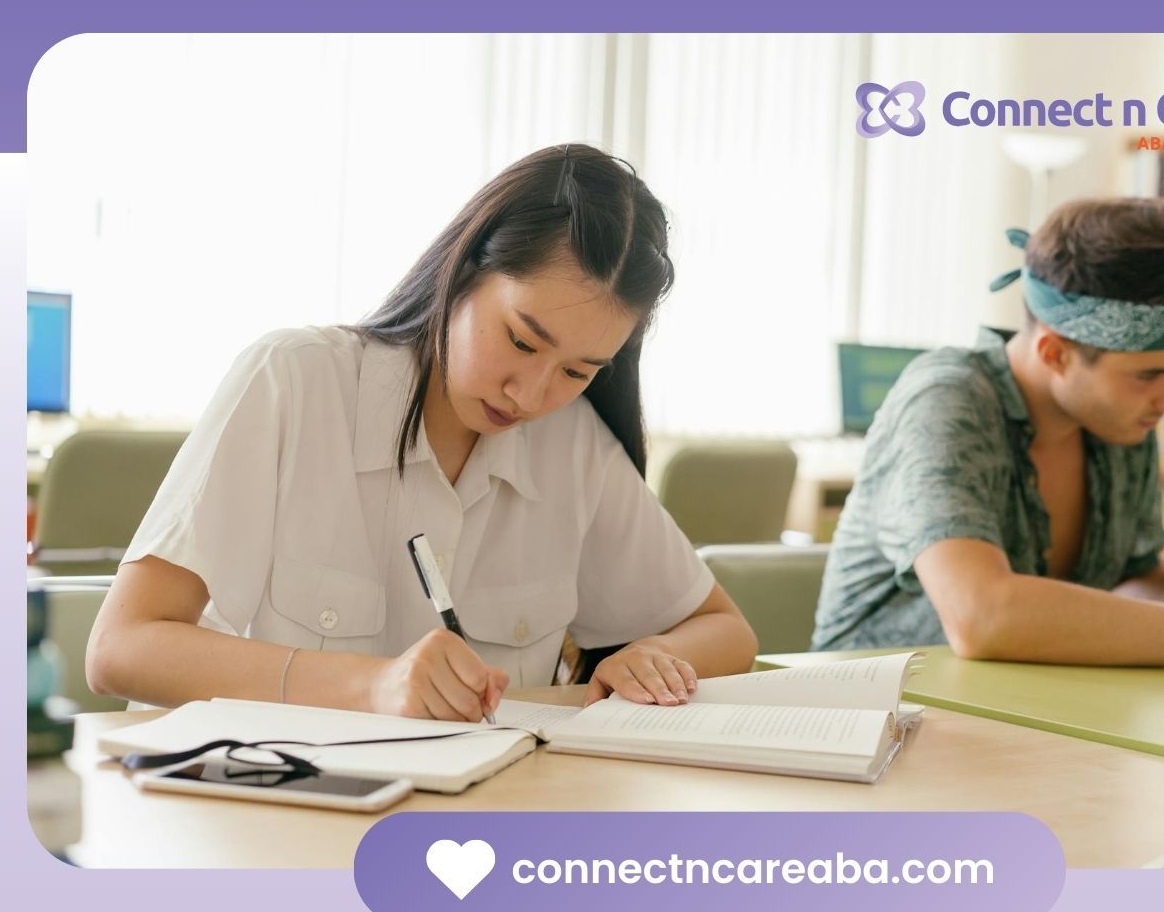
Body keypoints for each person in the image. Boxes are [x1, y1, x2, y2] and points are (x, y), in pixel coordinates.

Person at [87, 144, 757, 721]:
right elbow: (121, 648)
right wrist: (372, 686)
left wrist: (655, 657)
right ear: (463, 270)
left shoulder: (571, 442)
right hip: (257, 806)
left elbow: (726, 631)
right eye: (522, 342)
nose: (531, 395)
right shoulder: (294, 379)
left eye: (578, 371)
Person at [811, 198, 1164, 667]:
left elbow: (1131, 578)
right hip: (872, 723)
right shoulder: (946, 399)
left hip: (1036, 716)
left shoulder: (1115, 419)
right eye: (1149, 374)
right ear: (1055, 352)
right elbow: (984, 617)